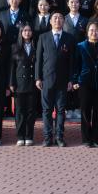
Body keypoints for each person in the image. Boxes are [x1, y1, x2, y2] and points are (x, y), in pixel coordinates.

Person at [36, 12, 77, 147]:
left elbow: (72, 61)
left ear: (64, 21)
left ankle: (59, 137)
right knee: (47, 110)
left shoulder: (69, 38)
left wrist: (71, 79)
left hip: (63, 80)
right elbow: (38, 60)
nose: (57, 20)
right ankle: (47, 137)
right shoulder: (43, 37)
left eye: (60, 18)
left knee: (60, 110)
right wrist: (38, 78)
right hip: (46, 80)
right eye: (55, 18)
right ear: (50, 21)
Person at [75, 20, 98, 147]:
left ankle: (95, 139)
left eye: (96, 30)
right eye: (91, 30)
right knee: (85, 111)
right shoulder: (80, 46)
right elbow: (76, 65)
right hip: (84, 83)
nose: (94, 32)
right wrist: (75, 80)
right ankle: (86, 139)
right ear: (87, 32)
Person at [10, 24, 39, 146]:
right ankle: (20, 136)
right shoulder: (15, 47)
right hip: (19, 84)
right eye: (25, 30)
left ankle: (29, 136)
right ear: (21, 32)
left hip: (32, 83)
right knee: (20, 111)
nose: (27, 33)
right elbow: (12, 67)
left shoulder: (36, 46)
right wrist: (11, 82)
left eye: (29, 30)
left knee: (31, 111)